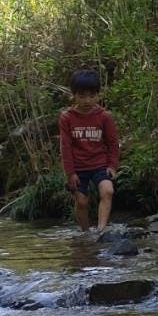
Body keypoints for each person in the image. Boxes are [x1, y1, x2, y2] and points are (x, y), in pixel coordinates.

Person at [58, 69, 120, 235]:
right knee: (82, 202)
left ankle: (100, 231)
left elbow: (113, 143)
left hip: (100, 164)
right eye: (82, 96)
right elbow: (65, 147)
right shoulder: (67, 118)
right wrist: (70, 173)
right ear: (74, 95)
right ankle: (86, 234)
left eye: (92, 96)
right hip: (78, 167)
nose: (87, 101)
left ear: (97, 95)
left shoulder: (104, 116)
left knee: (108, 190)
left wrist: (112, 166)